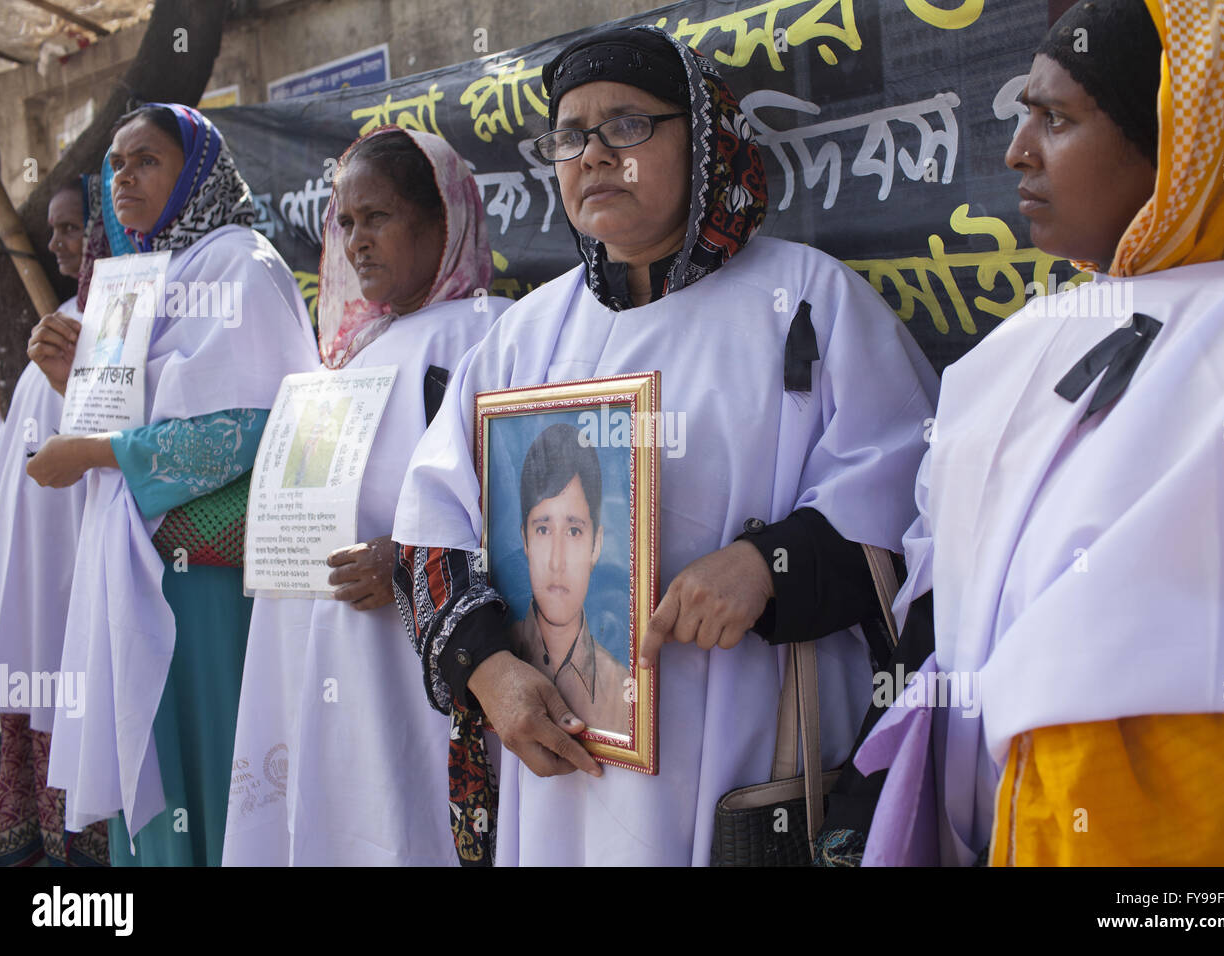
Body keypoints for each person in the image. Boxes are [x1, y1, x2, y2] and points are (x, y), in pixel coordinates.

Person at [392, 25, 938, 866]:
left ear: (706, 140)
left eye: (627, 126)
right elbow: (433, 524)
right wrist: (489, 668)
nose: (594, 155)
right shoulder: (519, 338)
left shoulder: (809, 302)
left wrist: (768, 567)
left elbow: (914, 509)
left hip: (742, 755)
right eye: (569, 136)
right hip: (560, 771)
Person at [843, 0, 1224, 866]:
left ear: (1181, 141)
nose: (1017, 152)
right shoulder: (1032, 334)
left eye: (1057, 118)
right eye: (1023, 114)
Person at [32, 103, 319, 866]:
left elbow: (255, 425)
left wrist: (94, 452)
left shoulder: (240, 264)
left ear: (195, 171)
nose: (124, 177)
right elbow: (130, 411)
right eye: (116, 166)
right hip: (139, 564)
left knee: (213, 764)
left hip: (206, 577)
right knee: (155, 772)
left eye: (147, 160)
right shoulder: (135, 283)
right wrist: (71, 378)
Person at [222, 127, 510, 866]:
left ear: (441, 219)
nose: (355, 242)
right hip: (330, 661)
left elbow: (536, 513)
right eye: (344, 223)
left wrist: (408, 562)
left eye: (376, 217)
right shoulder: (352, 354)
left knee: (408, 828)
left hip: (423, 673)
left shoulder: (485, 341)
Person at [0, 181, 111, 866]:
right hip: (35, 571)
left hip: (77, 560)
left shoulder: (114, 328)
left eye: (74, 229)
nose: (61, 243)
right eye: (55, 230)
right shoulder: (57, 322)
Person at [509, 423, 629, 733]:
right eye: (543, 529)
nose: (556, 561)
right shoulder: (497, 657)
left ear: (596, 545)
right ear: (524, 540)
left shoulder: (624, 691)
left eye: (574, 531)